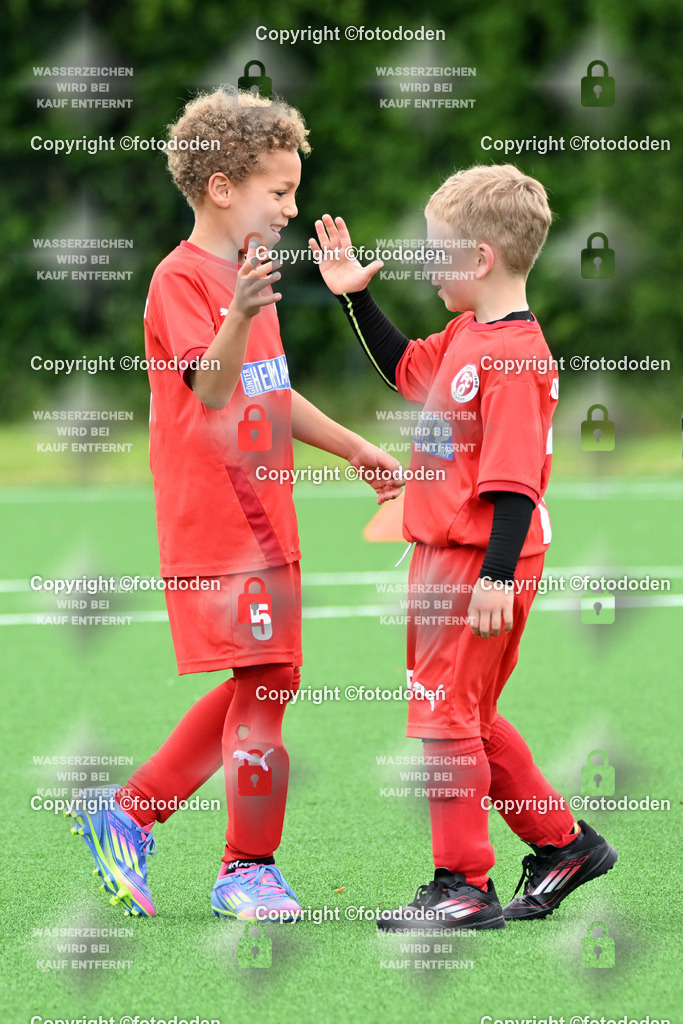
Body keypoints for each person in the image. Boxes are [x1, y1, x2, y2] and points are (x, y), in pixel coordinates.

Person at [66, 88, 402, 921]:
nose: (292, 208)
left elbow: (269, 392)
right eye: (278, 192)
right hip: (218, 517)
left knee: (272, 678)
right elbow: (211, 386)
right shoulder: (184, 279)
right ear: (222, 188)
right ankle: (243, 868)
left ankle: (131, 813)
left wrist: (355, 448)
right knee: (267, 685)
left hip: (267, 510)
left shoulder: (246, 275)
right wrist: (239, 313)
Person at [309, 164, 617, 930]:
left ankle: (462, 884)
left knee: (445, 720)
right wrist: (355, 296)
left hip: (481, 562)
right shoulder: (465, 335)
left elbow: (513, 483)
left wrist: (493, 576)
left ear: (478, 259)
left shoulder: (513, 357)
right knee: (464, 715)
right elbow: (404, 370)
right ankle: (562, 847)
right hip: (445, 558)